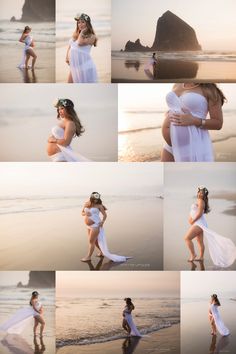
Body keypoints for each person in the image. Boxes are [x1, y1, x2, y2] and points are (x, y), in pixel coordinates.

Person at [161, 83, 225, 162]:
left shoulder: (210, 90)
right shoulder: (177, 84)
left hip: (193, 146)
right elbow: (177, 106)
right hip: (170, 145)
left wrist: (194, 120)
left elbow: (218, 123)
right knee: (166, 174)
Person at [185, 187, 236, 267]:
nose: (200, 194)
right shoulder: (200, 201)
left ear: (204, 195)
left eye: (202, 193)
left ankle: (193, 255)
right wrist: (191, 219)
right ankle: (201, 257)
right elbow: (195, 212)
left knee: (187, 238)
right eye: (199, 192)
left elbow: (199, 214)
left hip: (198, 223)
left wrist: (192, 220)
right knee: (199, 241)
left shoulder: (201, 201)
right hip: (199, 223)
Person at [81, 192, 130, 262]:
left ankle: (88, 257)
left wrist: (102, 222)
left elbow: (105, 215)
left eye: (97, 199)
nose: (96, 200)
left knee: (91, 241)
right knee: (94, 242)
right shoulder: (87, 204)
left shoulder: (99, 205)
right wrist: (85, 213)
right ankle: (102, 252)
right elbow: (82, 213)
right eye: (94, 199)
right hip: (88, 226)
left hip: (95, 225)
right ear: (91, 198)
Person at [65, 13, 97, 83]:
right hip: (75, 66)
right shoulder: (76, 34)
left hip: (85, 66)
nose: (80, 24)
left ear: (87, 24)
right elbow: (70, 45)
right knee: (69, 84)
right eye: (78, 23)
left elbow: (80, 42)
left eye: (83, 22)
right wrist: (67, 57)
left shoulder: (92, 36)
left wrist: (82, 31)